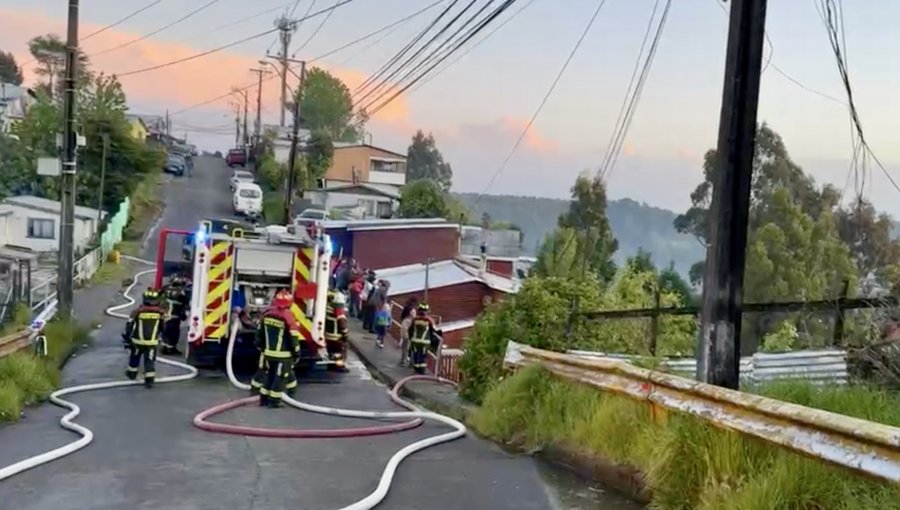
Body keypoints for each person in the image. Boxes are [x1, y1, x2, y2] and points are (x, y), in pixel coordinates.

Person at [255, 290, 301, 408]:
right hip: (283, 356)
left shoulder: (267, 313)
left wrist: (261, 347)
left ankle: (263, 400)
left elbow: (259, 334)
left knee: (269, 376)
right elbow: (293, 337)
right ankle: (274, 402)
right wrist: (296, 352)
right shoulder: (288, 316)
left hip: (268, 354)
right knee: (280, 379)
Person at [122, 288, 165, 388]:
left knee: (135, 358)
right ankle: (149, 381)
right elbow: (163, 327)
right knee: (149, 360)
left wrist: (127, 337)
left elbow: (129, 325)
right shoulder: (160, 313)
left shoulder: (137, 312)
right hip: (151, 342)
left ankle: (132, 374)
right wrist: (161, 337)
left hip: (137, 341)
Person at [408, 302, 438, 374]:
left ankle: (416, 369)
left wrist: (411, 338)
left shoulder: (415, 319)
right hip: (425, 341)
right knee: (423, 356)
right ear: (427, 311)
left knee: (416, 354)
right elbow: (434, 330)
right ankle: (422, 370)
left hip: (415, 341)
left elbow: (410, 329)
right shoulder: (429, 320)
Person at [161, 277, 188, 355]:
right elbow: (184, 302)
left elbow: (159, 295)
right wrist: (183, 314)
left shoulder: (165, 288)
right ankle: (171, 348)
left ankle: (165, 347)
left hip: (165, 314)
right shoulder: (180, 292)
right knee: (174, 332)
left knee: (165, 331)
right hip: (175, 315)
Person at [324, 292, 350, 371]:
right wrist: (345, 334)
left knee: (331, 351)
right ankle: (339, 366)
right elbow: (342, 324)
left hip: (328, 335)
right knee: (338, 352)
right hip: (337, 336)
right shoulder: (339, 312)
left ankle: (331, 365)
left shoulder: (328, 308)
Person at [398, 297, 418, 366]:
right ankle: (411, 362)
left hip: (404, 324)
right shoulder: (413, 310)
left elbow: (402, 316)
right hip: (410, 326)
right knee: (411, 346)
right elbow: (414, 318)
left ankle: (403, 360)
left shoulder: (406, 308)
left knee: (404, 345)